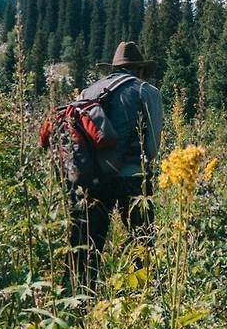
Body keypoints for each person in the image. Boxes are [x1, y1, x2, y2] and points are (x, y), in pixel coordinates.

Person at [69, 41, 162, 290]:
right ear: (139, 69)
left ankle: (83, 298)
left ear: (112, 68)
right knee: (141, 240)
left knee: (88, 246)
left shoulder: (87, 93)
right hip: (133, 178)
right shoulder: (147, 91)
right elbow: (151, 147)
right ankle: (139, 295)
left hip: (92, 180)